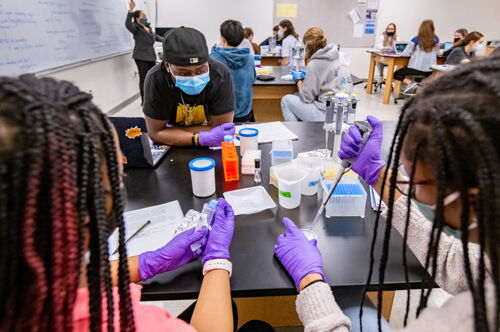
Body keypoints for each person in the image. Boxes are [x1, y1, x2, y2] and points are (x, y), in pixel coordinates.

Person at [0, 74, 274, 332]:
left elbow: (67, 279)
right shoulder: (127, 323)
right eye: (114, 178)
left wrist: (149, 262)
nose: (123, 167)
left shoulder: (22, 281)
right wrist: (216, 260)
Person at [274, 56, 499, 331]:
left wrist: (309, 281)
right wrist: (376, 175)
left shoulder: (467, 319)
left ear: (472, 196)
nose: (410, 191)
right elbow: (459, 266)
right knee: (353, 301)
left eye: (418, 183)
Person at [143, 27, 236, 147]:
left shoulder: (220, 75)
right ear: (167, 66)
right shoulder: (156, 79)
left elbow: (221, 130)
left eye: (200, 70)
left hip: (210, 149)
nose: (194, 78)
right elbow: (156, 133)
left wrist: (172, 132)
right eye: (183, 73)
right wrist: (200, 138)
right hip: (173, 150)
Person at [280, 27, 352, 122]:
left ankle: (295, 133)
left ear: (307, 45)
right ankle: (306, 131)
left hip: (326, 115)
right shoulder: (338, 55)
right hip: (344, 112)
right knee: (296, 95)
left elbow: (307, 98)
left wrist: (299, 82)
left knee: (286, 101)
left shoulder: (315, 63)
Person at [210, 20, 256, 123]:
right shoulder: (249, 58)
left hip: (220, 118)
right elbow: (253, 80)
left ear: (222, 39)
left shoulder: (213, 59)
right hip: (245, 115)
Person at [125, 0, 164, 104]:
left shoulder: (148, 28)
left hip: (151, 56)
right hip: (141, 57)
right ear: (137, 18)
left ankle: (153, 98)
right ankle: (145, 101)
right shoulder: (136, 28)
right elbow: (127, 24)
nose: (145, 17)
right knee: (144, 78)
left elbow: (156, 37)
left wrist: (168, 39)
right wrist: (131, 10)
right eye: (143, 15)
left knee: (152, 78)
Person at [394, 19, 440, 92]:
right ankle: (415, 85)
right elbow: (438, 54)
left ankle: (412, 83)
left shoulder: (416, 40)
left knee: (396, 74)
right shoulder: (436, 40)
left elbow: (405, 53)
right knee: (416, 74)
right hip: (429, 71)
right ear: (432, 28)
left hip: (415, 70)